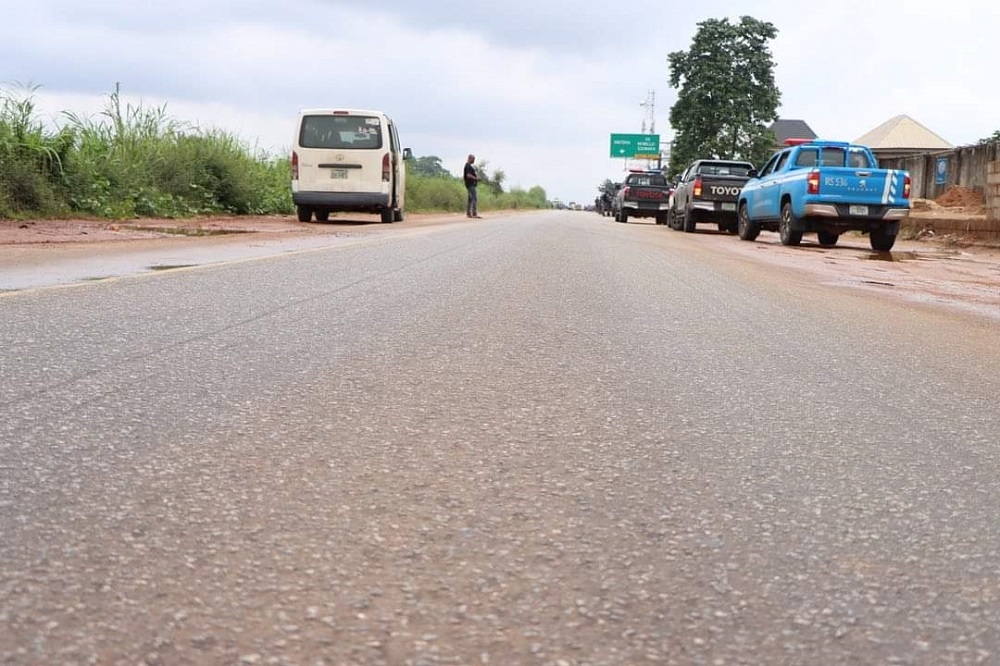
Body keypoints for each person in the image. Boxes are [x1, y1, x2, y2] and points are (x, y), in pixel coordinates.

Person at [463, 154, 481, 218]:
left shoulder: (468, 166)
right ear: (470, 158)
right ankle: (474, 213)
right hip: (470, 185)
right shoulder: (468, 166)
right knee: (474, 199)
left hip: (469, 185)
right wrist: (476, 178)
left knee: (470, 199)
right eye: (473, 159)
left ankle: (468, 213)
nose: (474, 161)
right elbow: (468, 175)